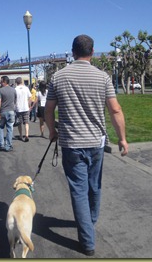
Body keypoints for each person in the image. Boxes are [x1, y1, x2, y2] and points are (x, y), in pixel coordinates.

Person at [44, 34, 128, 256]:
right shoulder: (103, 77)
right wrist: (122, 138)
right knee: (94, 186)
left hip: (71, 142)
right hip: (96, 141)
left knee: (79, 190)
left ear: (73, 52)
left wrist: (52, 131)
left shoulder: (58, 77)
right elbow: (115, 110)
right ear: (92, 52)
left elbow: (48, 109)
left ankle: (88, 241)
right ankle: (89, 222)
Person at [0, 76, 16, 152]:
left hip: (3, 111)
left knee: (0, 127)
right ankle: (8, 146)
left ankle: (1, 144)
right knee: (10, 129)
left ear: (4, 81)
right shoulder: (13, 90)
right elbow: (14, 101)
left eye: (1, 81)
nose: (0, 82)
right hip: (11, 111)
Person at [14, 77, 32, 142]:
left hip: (18, 108)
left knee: (19, 123)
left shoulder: (15, 89)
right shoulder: (26, 88)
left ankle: (21, 135)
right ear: (21, 81)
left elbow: (14, 99)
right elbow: (30, 97)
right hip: (25, 107)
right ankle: (26, 135)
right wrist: (29, 105)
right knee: (26, 122)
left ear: (16, 82)